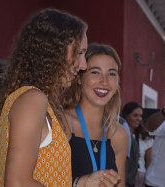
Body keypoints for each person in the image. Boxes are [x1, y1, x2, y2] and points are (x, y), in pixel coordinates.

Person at [0, 8, 89, 186]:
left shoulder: (31, 98)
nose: (83, 65)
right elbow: (17, 183)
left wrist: (78, 183)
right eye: (79, 53)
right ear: (54, 50)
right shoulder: (33, 99)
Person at [63, 43, 128, 187]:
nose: (104, 81)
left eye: (111, 74)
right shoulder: (60, 122)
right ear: (79, 79)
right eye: (95, 72)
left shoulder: (119, 134)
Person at [121, 102, 153, 187]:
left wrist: (146, 180)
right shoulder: (119, 135)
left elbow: (149, 161)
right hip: (122, 176)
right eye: (135, 115)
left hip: (139, 178)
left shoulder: (145, 137)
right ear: (126, 116)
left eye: (140, 115)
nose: (139, 119)